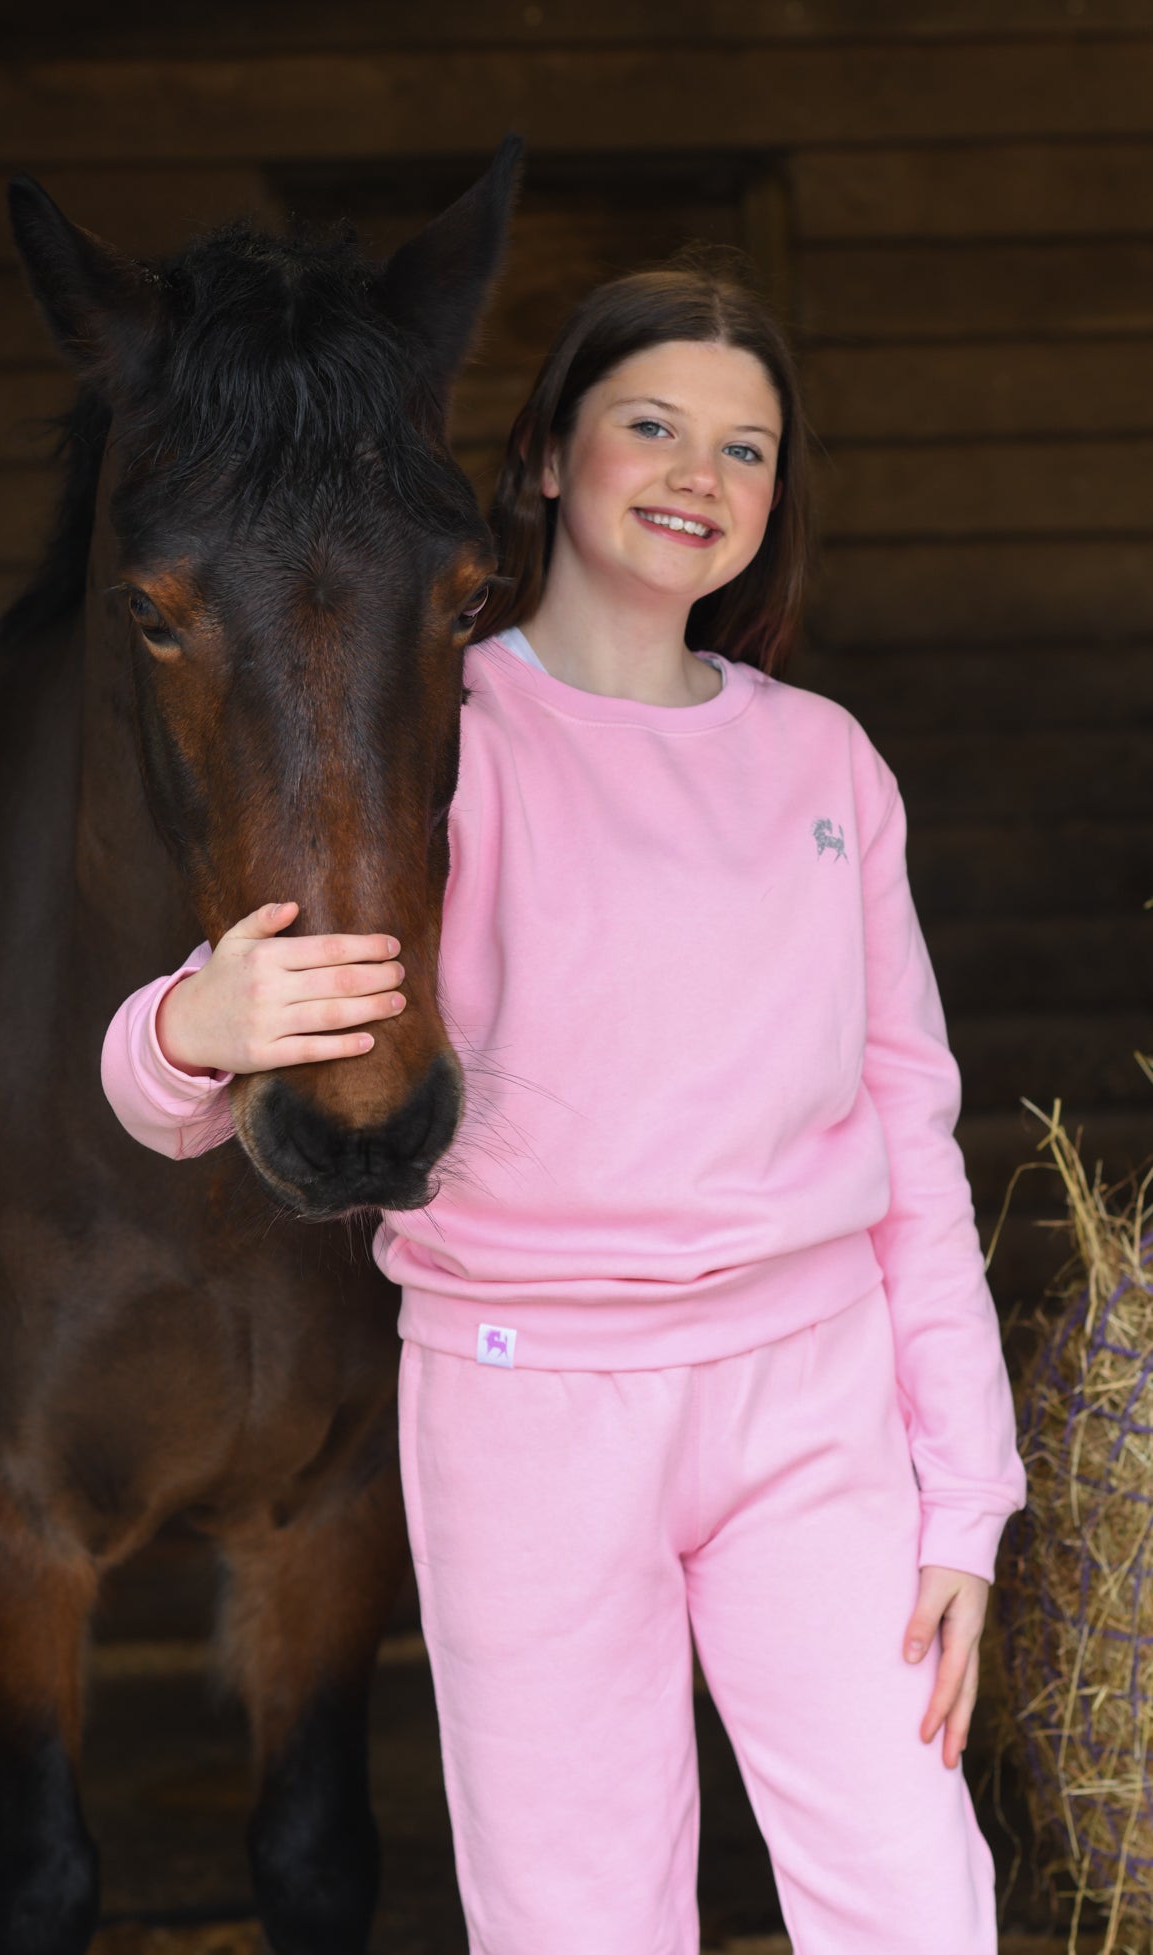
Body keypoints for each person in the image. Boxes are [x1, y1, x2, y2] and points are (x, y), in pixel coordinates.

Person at [101, 256, 1028, 1955]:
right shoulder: (439, 730)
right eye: (653, 425)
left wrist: (967, 1501)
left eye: (747, 448)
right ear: (542, 456)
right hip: (531, 1409)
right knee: (575, 1916)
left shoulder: (827, 763)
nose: (699, 474)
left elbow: (913, 1143)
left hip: (814, 1412)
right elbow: (175, 1083)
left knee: (915, 1896)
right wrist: (187, 1026)